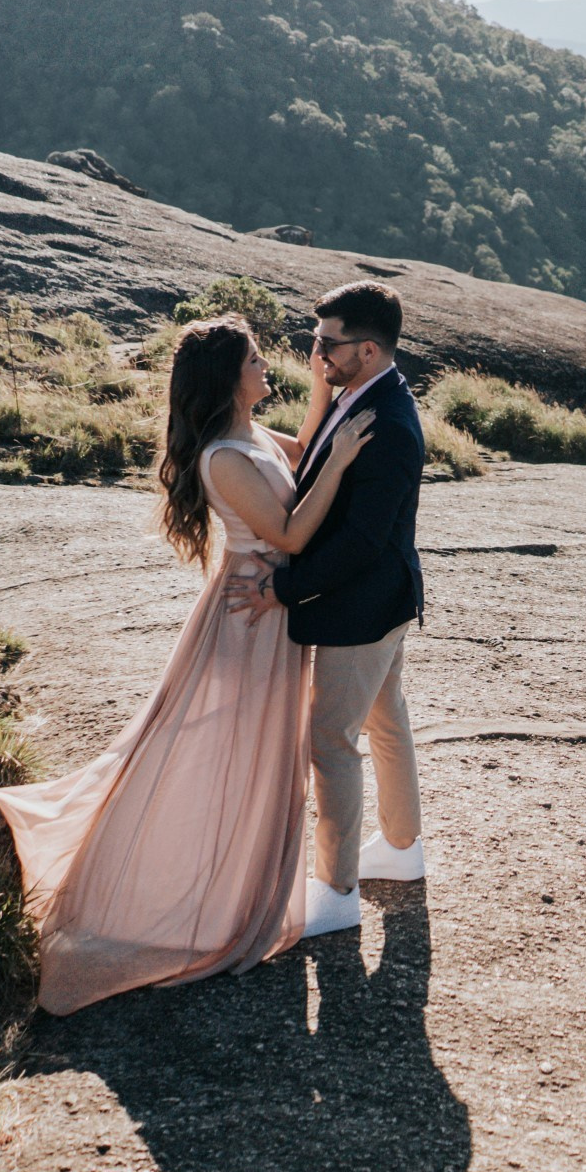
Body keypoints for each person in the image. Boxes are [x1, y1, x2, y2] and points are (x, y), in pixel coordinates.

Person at [0, 316, 372, 1015]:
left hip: (272, 610)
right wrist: (342, 462)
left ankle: (234, 881)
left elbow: (304, 451)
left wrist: (323, 388)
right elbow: (290, 531)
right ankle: (177, 885)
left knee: (257, 753)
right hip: (248, 618)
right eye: (255, 359)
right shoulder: (223, 456)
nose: (266, 367)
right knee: (223, 752)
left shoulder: (251, 433)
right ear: (228, 378)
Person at [225, 280, 429, 936]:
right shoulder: (363, 393)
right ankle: (401, 849)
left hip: (362, 609)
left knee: (331, 742)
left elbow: (360, 542)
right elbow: (314, 457)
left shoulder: (387, 424)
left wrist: (283, 589)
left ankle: (337, 893)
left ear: (368, 350)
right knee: (386, 719)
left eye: (328, 343)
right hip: (385, 600)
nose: (317, 353)